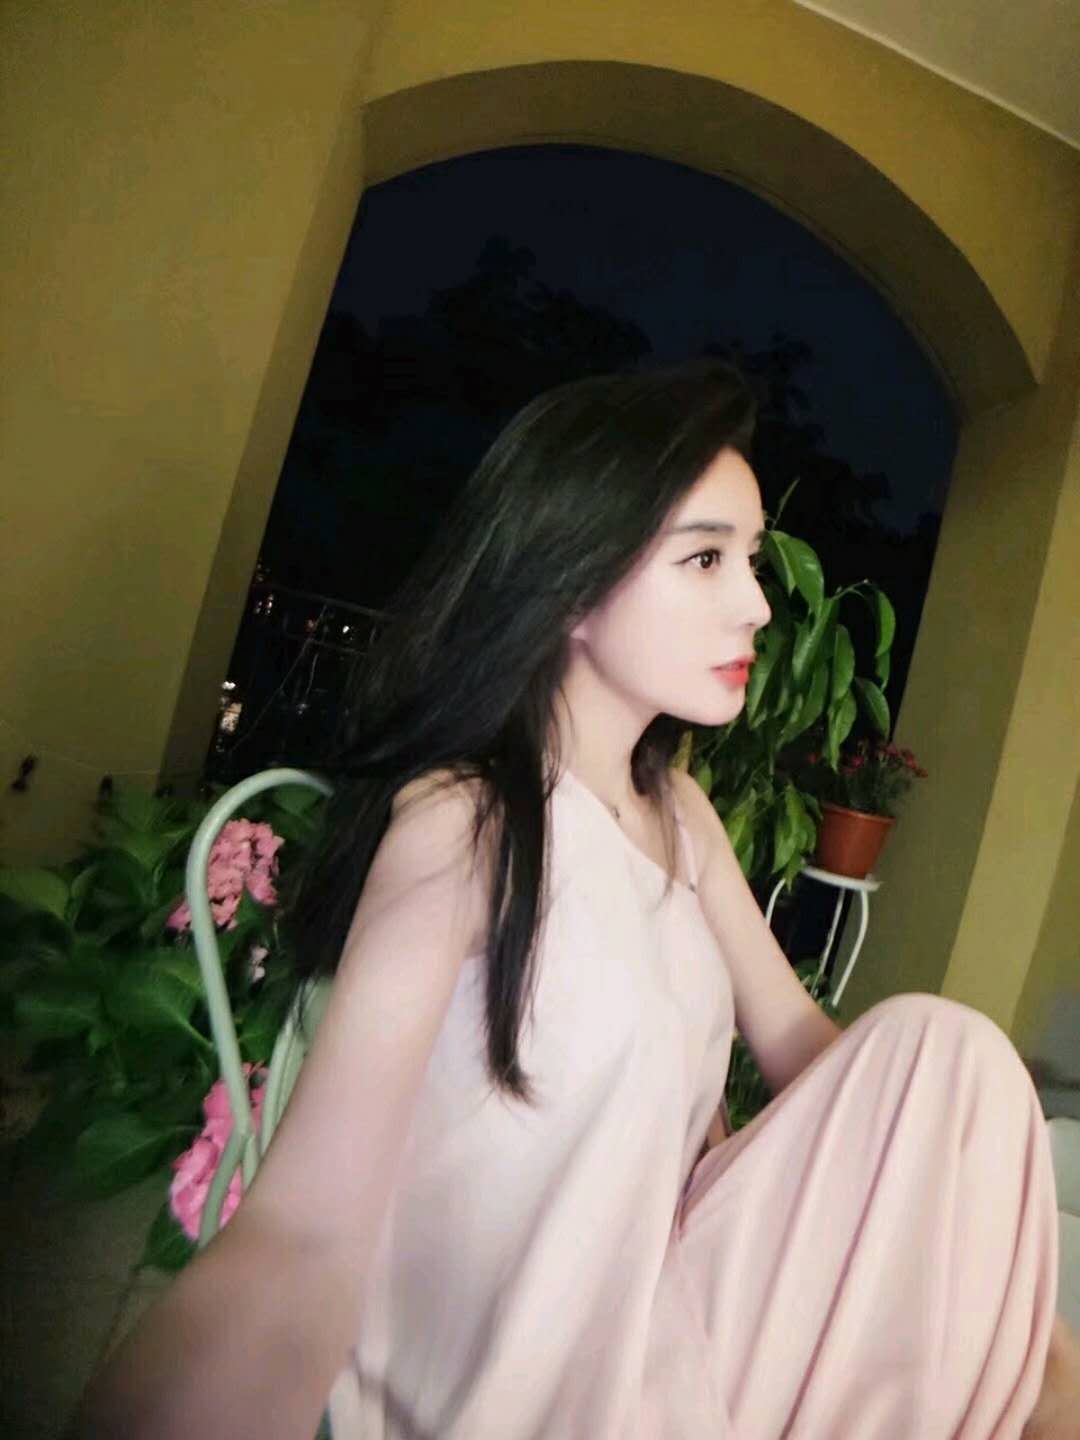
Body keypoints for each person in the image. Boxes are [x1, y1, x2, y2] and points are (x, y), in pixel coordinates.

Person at [76, 361, 1074, 1439]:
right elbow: (305, 1234)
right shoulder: (468, 824)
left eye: (749, 559)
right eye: (705, 558)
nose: (756, 603)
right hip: (532, 1387)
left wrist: (977, 1247)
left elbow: (805, 1048)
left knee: (954, 1061)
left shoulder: (680, 813)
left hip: (677, 1324)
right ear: (567, 584)